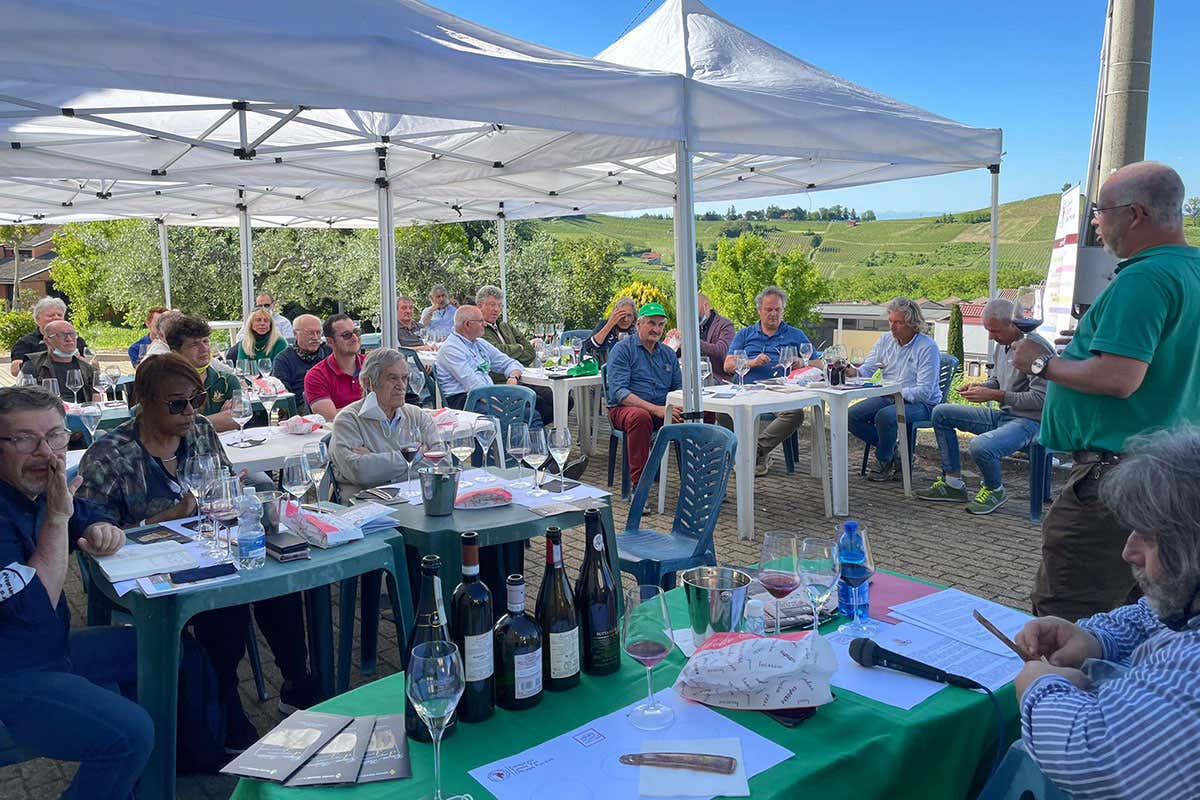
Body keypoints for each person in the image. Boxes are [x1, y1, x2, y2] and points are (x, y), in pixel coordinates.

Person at [75, 355, 315, 748]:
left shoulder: (200, 431)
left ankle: (297, 681)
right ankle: (224, 702)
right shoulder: (110, 454)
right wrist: (170, 516)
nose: (190, 412)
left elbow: (221, 487)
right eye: (177, 404)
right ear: (144, 401)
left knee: (279, 583)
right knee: (225, 605)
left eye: (197, 400)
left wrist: (233, 499)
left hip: (211, 547)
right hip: (147, 570)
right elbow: (95, 536)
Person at [1010, 161, 1200, 620]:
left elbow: (1119, 378)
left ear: (1135, 214)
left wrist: (1041, 363)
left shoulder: (1144, 278)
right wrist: (1082, 352)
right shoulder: (1190, 270)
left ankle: (1055, 693)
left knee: (1066, 618)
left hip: (1117, 485)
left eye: (1101, 211)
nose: (1096, 222)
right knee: (1146, 618)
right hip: (1171, 476)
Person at [1012, 426, 1200, 800]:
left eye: (1148, 536)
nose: (1128, 553)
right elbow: (1149, 614)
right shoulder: (1189, 601)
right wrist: (1096, 638)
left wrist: (1040, 685)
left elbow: (1090, 751)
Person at [0, 386, 154, 797]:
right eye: (24, 439)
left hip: (50, 651)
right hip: (11, 673)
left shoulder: (32, 487)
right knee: (130, 733)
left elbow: (86, 511)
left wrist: (99, 527)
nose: (47, 453)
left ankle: (161, 779)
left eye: (54, 436)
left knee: (167, 652)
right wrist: (56, 518)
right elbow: (32, 608)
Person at [917, 297, 1051, 515]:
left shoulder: (1036, 348)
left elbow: (1041, 400)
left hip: (1031, 422)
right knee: (941, 413)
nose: (990, 337)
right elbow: (997, 381)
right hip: (1004, 415)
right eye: (988, 331)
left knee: (981, 446)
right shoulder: (1003, 346)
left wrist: (996, 395)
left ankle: (994, 489)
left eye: (995, 331)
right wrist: (979, 388)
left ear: (1013, 324)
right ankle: (953, 483)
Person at [844, 296, 942, 481]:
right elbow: (867, 369)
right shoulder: (885, 340)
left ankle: (884, 460)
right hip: (888, 396)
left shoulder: (927, 347)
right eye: (890, 321)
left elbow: (924, 392)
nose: (892, 327)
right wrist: (853, 372)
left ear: (913, 324)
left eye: (898, 323)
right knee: (850, 415)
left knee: (885, 416)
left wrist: (895, 392)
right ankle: (896, 451)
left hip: (923, 404)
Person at [724, 286, 817, 474]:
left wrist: (802, 361)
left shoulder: (795, 334)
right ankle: (751, 454)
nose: (773, 314)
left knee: (795, 414)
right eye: (769, 310)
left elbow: (819, 363)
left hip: (779, 392)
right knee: (722, 411)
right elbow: (727, 365)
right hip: (746, 390)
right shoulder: (745, 334)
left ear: (783, 311)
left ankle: (752, 451)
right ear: (759, 311)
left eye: (777, 310)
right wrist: (751, 362)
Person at [329, 348, 439, 498]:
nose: (401, 386)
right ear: (369, 383)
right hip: (367, 506)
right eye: (392, 378)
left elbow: (442, 462)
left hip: (415, 499)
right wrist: (417, 456)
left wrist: (378, 463)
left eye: (405, 378)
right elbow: (359, 471)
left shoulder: (417, 415)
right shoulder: (348, 420)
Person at [606, 302, 683, 489]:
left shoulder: (668, 354)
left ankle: (698, 481)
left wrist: (681, 408)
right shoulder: (623, 349)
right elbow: (619, 393)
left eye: (661, 324)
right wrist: (656, 410)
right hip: (624, 409)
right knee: (640, 418)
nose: (656, 329)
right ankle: (639, 486)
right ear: (639, 324)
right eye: (651, 323)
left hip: (662, 409)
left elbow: (678, 388)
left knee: (701, 413)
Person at [436, 306, 541, 424]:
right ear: (467, 324)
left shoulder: (479, 343)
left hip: (486, 396)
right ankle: (518, 441)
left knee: (535, 410)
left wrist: (513, 377)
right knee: (526, 416)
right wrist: (502, 405)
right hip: (464, 402)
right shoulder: (451, 349)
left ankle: (517, 441)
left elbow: (510, 362)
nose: (485, 324)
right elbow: (474, 386)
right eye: (480, 321)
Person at [476, 285, 562, 425]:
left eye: (499, 305)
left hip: (524, 378)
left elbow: (530, 352)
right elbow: (496, 352)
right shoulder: (479, 331)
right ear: (479, 306)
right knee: (539, 405)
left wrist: (513, 354)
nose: (496, 309)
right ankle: (527, 430)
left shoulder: (505, 326)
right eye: (492, 305)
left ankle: (527, 430)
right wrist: (518, 348)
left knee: (562, 399)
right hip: (503, 383)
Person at [166, 314, 240, 433]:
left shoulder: (227, 381)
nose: (204, 348)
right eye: (194, 344)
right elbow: (168, 429)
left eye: (205, 341)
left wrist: (191, 424)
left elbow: (236, 420)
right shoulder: (164, 384)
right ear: (175, 353)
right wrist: (214, 421)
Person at [20, 320, 99, 404]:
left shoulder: (86, 366)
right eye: (61, 335)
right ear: (47, 340)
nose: (69, 339)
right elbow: (23, 398)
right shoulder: (33, 364)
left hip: (82, 412)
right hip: (47, 412)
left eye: (72, 334)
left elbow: (97, 395)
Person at [304, 313, 365, 421]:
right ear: (330, 341)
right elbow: (331, 418)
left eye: (357, 332)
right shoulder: (316, 375)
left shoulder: (373, 365)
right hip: (341, 435)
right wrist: (371, 409)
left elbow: (390, 405)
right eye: (347, 335)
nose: (355, 338)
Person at [9, 296, 91, 377]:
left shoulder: (74, 339)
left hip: (75, 383)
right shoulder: (26, 342)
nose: (56, 318)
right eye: (51, 315)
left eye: (59, 315)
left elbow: (94, 365)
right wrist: (41, 359)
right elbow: (15, 371)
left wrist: (79, 358)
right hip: (41, 385)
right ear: (37, 319)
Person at [667, 292, 734, 384]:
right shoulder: (690, 326)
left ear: (706, 306)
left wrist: (691, 342)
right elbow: (677, 355)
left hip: (716, 377)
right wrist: (674, 342)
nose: (689, 314)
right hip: (690, 374)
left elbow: (722, 351)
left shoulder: (725, 325)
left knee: (688, 385)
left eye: (692, 309)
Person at [273, 314, 330, 413]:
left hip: (332, 402)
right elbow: (283, 397)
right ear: (295, 333)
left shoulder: (329, 352)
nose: (316, 337)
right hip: (300, 409)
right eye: (310, 333)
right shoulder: (284, 359)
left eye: (319, 332)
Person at [582, 296, 636, 364]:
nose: (626, 319)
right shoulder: (604, 324)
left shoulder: (635, 329)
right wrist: (610, 324)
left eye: (629, 315)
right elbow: (587, 348)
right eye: (622, 315)